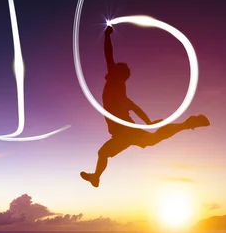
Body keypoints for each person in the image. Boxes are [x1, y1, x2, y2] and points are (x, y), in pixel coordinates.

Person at [80, 25, 210, 188]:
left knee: (117, 149)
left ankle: (187, 124)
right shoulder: (115, 83)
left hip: (125, 132)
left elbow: (109, 56)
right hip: (120, 134)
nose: (111, 69)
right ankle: (96, 177)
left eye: (115, 68)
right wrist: (148, 122)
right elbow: (133, 106)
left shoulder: (117, 83)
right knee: (110, 151)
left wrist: (148, 122)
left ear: (120, 74)